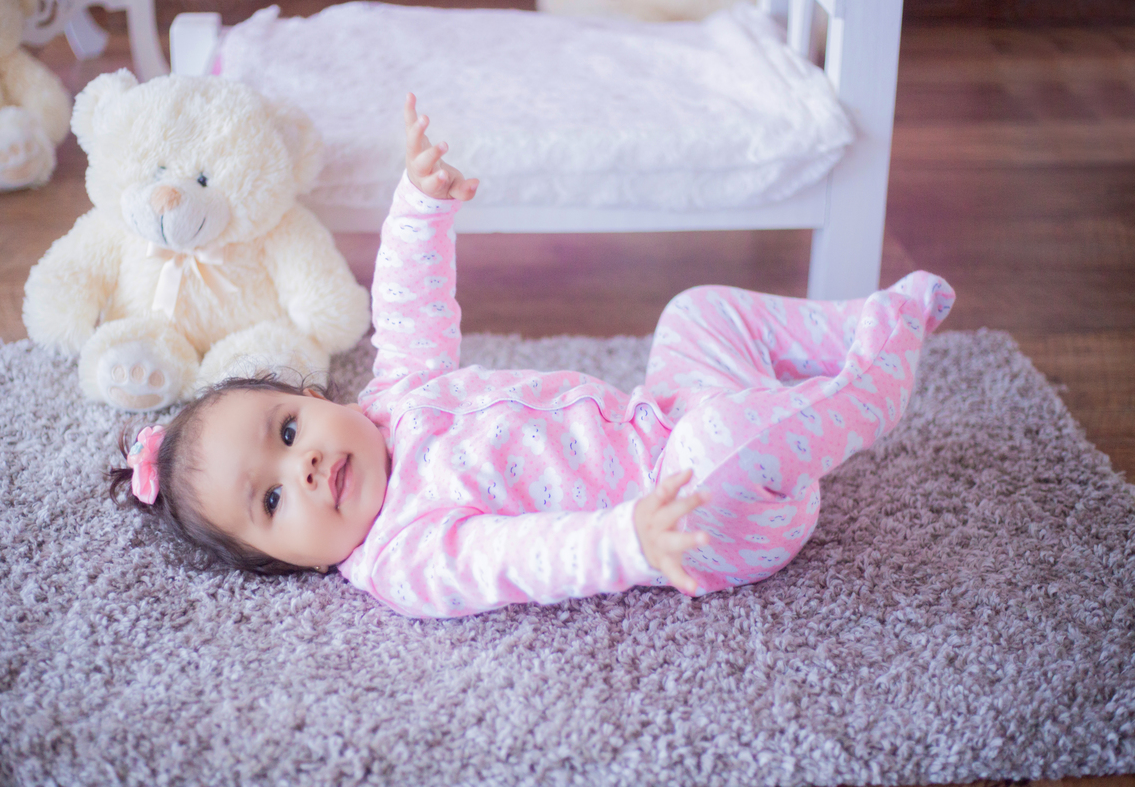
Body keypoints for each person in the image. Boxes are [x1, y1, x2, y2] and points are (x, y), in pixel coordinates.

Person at [111, 94, 956, 618]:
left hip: (659, 414)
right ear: (287, 563)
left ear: (313, 394)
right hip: (694, 515)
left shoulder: (394, 398)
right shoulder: (405, 557)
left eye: (288, 431)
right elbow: (525, 560)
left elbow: (410, 307)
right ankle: (873, 381)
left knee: (694, 313)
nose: (301, 469)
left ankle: (848, 327)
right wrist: (631, 539)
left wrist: (420, 203)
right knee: (729, 438)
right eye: (269, 499)